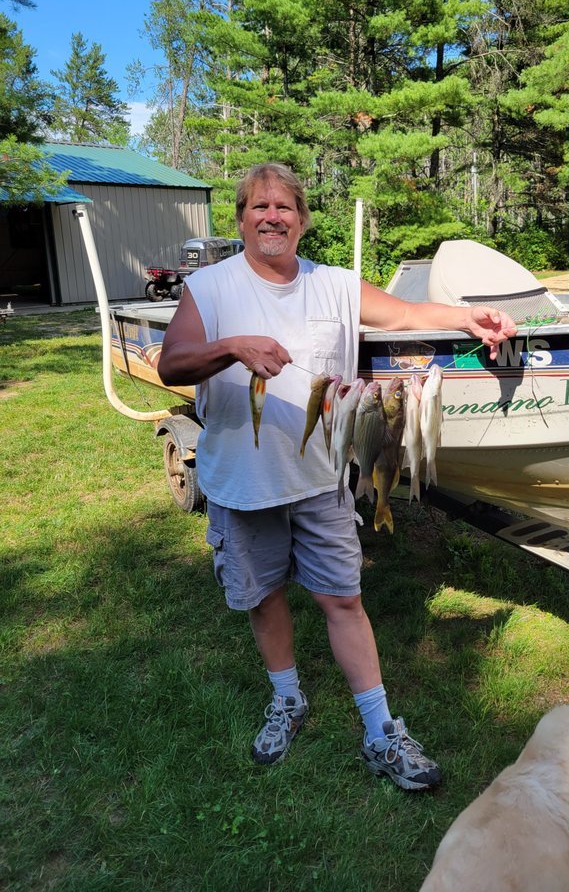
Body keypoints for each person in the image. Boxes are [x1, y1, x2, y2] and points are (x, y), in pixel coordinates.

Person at [157, 163, 517, 791]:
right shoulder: (209, 288)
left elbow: (404, 316)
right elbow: (172, 364)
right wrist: (233, 346)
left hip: (322, 480)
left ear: (301, 220)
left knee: (344, 600)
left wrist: (469, 319)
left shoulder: (335, 285)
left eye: (285, 207)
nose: (273, 217)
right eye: (259, 206)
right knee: (263, 598)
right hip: (241, 482)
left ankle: (381, 730)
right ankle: (288, 698)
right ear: (241, 217)